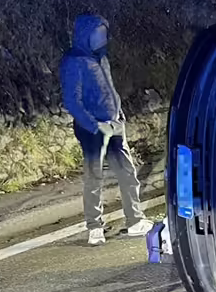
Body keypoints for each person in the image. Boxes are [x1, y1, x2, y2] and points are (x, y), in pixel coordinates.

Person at [59, 13, 152, 246]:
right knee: (94, 178)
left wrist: (118, 115)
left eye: (104, 33)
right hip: (93, 130)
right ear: (85, 35)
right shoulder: (74, 61)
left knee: (127, 173)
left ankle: (135, 221)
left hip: (114, 125)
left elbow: (110, 90)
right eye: (98, 33)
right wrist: (94, 125)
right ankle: (94, 228)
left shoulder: (101, 58)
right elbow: (72, 100)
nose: (103, 37)